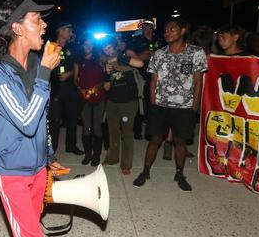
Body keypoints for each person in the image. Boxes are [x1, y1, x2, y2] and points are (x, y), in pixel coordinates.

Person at [0, 0, 68, 237]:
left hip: (38, 167)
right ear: (17, 29)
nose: (43, 26)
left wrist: (49, 153)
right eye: (36, 20)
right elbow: (27, 121)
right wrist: (44, 73)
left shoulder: (35, 64)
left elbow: (42, 116)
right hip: (12, 171)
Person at [133, 17, 207, 192]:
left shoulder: (196, 53)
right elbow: (153, 82)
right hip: (161, 106)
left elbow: (198, 82)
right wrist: (153, 105)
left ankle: (180, 174)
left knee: (180, 142)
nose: (167, 32)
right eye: (166, 30)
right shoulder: (159, 54)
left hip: (184, 108)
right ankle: (145, 171)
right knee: (155, 140)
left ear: (183, 31)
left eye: (172, 29)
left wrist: (194, 108)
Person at [102, 38, 144, 174]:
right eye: (104, 49)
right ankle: (112, 158)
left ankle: (126, 164)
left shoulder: (126, 53)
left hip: (129, 102)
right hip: (112, 102)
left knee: (127, 133)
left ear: (115, 46)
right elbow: (106, 88)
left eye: (109, 47)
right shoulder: (106, 62)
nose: (107, 50)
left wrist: (118, 58)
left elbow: (140, 63)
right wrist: (107, 74)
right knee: (113, 131)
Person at [48, 22, 84, 154]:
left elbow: (80, 66)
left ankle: (71, 146)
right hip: (55, 89)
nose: (71, 33)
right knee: (54, 121)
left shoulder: (73, 47)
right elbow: (43, 67)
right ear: (61, 31)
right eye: (68, 30)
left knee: (72, 119)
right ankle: (52, 150)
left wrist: (69, 74)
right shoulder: (50, 46)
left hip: (70, 88)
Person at [74, 36, 107, 166]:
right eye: (85, 45)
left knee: (97, 127)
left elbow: (106, 77)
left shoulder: (100, 59)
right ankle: (88, 154)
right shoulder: (78, 61)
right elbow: (75, 79)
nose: (87, 47)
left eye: (90, 45)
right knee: (86, 128)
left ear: (94, 46)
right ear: (82, 46)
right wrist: (79, 88)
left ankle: (96, 156)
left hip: (99, 97)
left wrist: (98, 86)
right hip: (84, 98)